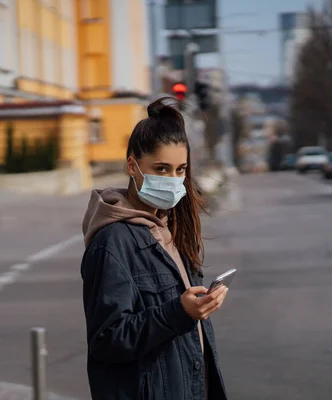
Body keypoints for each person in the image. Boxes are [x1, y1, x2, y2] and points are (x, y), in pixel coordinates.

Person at [80, 97, 230, 400]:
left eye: (180, 170)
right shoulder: (113, 242)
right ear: (132, 166)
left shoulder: (171, 228)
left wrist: (199, 306)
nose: (173, 181)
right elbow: (108, 340)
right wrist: (180, 312)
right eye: (161, 169)